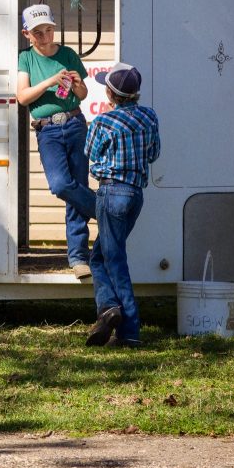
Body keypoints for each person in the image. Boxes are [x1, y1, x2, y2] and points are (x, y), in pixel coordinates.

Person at [83, 62, 160, 348]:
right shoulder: (149, 117)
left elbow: (89, 152)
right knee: (101, 256)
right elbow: (153, 154)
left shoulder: (103, 122)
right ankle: (108, 310)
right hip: (135, 195)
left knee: (113, 262)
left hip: (111, 193)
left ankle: (128, 330)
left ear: (110, 94)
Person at [16, 4, 95, 280]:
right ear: (28, 34)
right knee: (61, 184)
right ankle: (103, 210)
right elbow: (23, 97)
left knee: (78, 188)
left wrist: (76, 85)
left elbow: (83, 94)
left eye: (49, 29)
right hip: (47, 130)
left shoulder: (68, 54)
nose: (46, 36)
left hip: (74, 123)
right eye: (39, 32)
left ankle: (78, 258)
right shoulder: (25, 59)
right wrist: (50, 80)